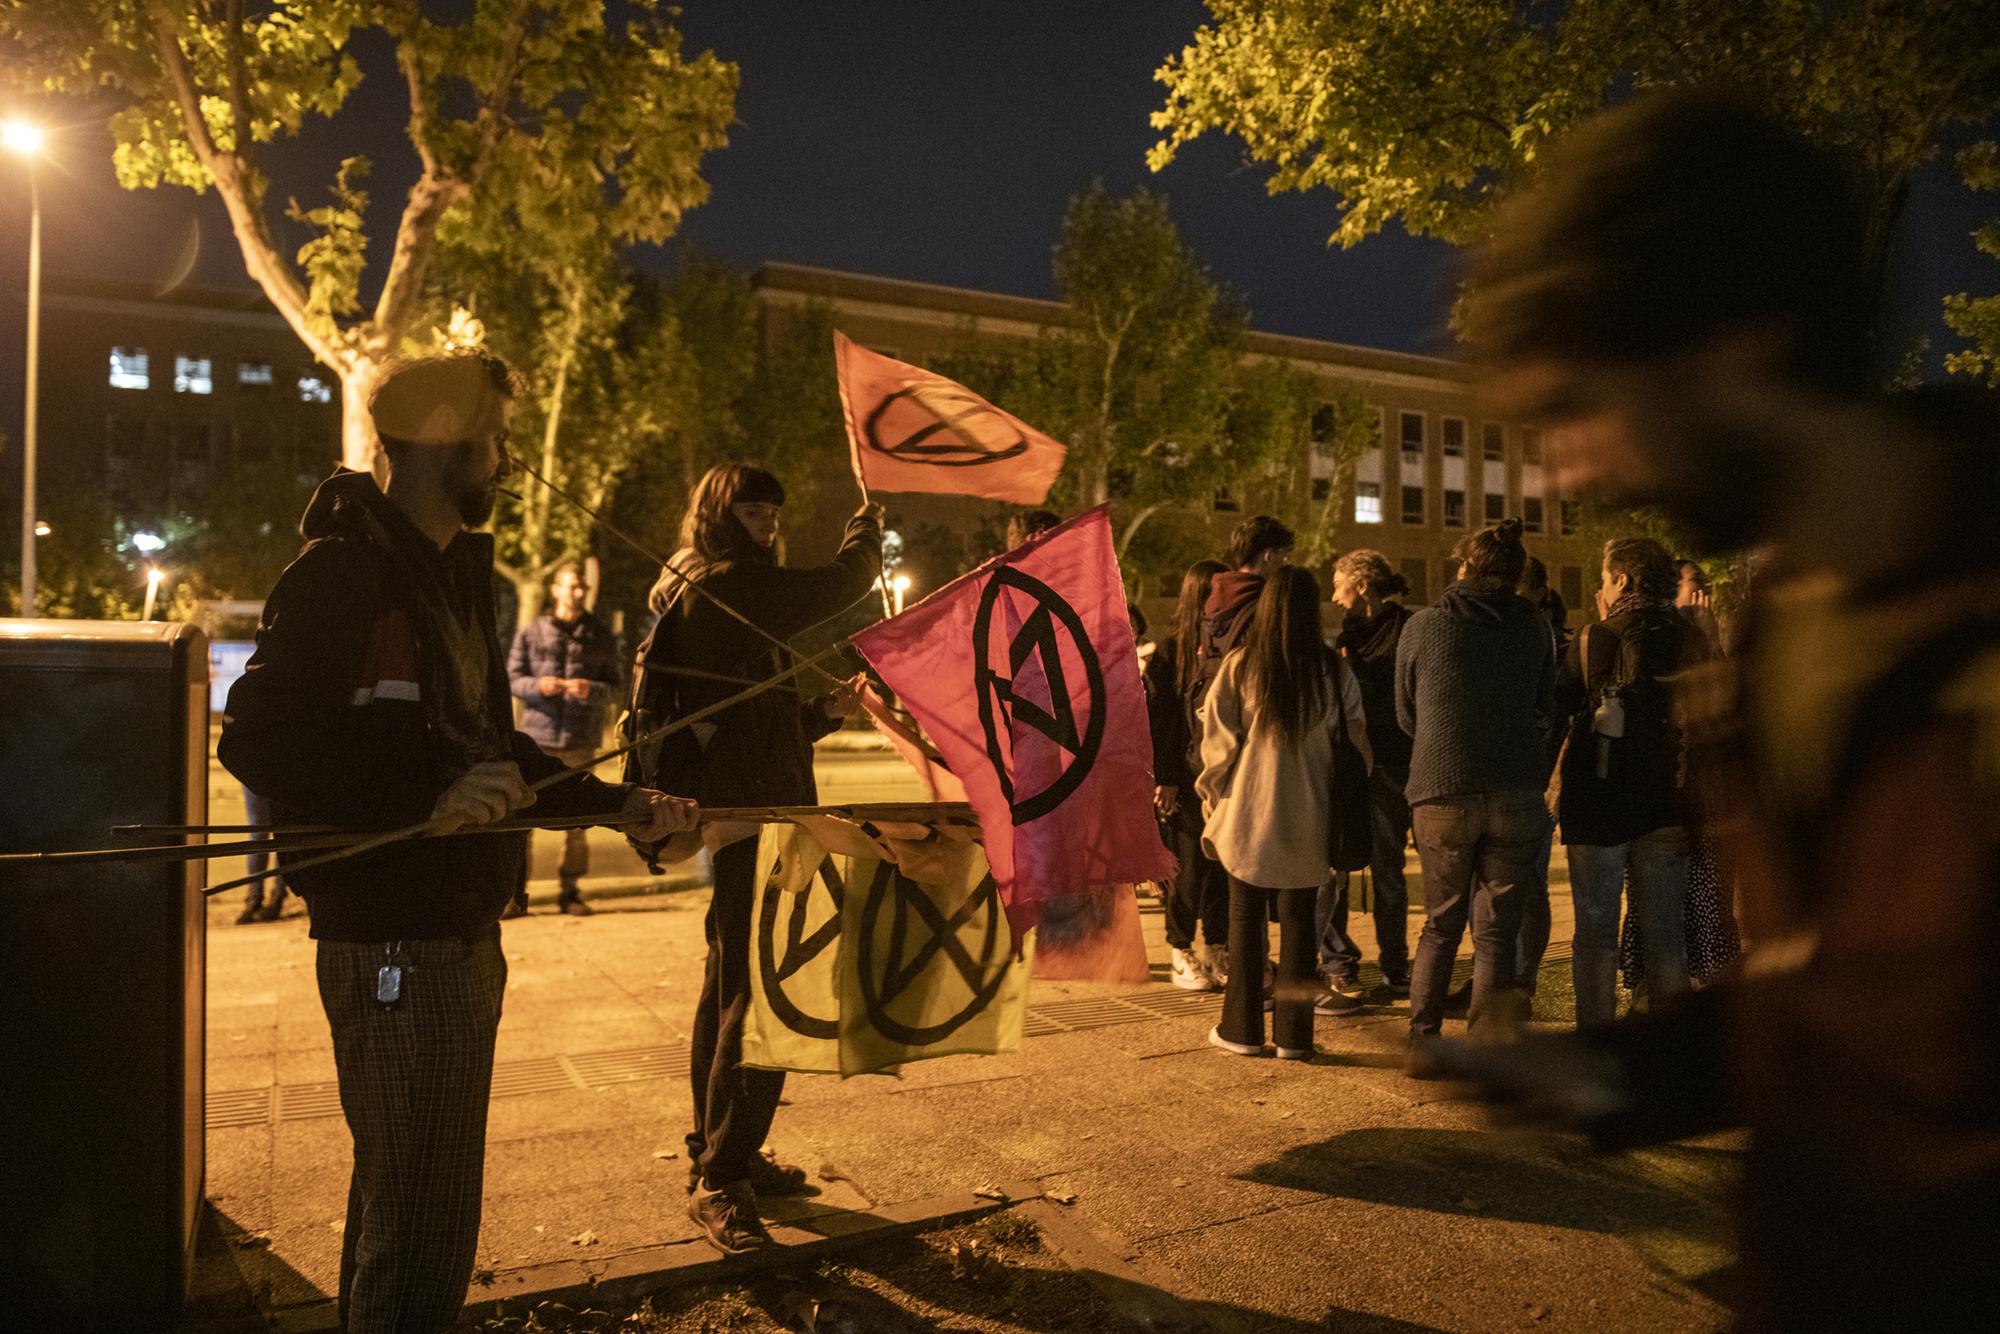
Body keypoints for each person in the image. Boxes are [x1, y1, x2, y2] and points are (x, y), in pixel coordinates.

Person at [1449, 89, 2000, 1326]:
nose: (1569, 467)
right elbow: (1834, 1002)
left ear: (1739, 342)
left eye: (1581, 405)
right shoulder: (1772, 632)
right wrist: (1610, 1072)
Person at [217, 352, 696, 1334]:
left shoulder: (452, 577)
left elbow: (494, 751)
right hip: (394, 943)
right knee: (424, 1225)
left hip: (457, 932)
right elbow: (254, 733)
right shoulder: (341, 574)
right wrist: (420, 800)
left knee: (406, 1206)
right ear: (442, 442)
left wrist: (615, 803)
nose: (508, 463)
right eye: (493, 442)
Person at [637, 462, 883, 1256]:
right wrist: (866, 533)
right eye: (753, 511)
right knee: (763, 999)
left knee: (729, 986)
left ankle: (714, 1151)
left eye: (774, 514)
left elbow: (752, 722)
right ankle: (723, 1181)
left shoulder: (708, 590)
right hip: (753, 818)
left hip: (752, 810)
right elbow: (836, 588)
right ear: (719, 512)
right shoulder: (728, 584)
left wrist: (819, 712)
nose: (769, 526)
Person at [1197, 566, 1372, 1059]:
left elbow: (1217, 749)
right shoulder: (1333, 671)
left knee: (1244, 922)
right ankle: (1295, 1038)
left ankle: (1242, 1030)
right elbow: (1358, 748)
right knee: (1299, 927)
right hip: (1311, 818)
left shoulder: (1241, 665)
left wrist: (1212, 799)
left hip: (1248, 816)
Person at [1394, 519, 1554, 1059]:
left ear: (1464, 567)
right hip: (1515, 790)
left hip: (1442, 789)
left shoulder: (1424, 626)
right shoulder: (1533, 625)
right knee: (1497, 932)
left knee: (1440, 925)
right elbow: (1543, 704)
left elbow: (1406, 712)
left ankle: (1424, 1043)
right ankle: (1487, 1044)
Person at [1554, 537, 1710, 1028]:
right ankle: (1671, 1050)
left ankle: (1594, 1044)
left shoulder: (1591, 637)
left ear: (1621, 579)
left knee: (1595, 934)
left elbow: (1556, 710)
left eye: (1604, 577)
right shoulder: (1691, 640)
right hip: (1666, 800)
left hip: (1596, 803)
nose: (1602, 586)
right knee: (1666, 933)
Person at [1317, 550, 1415, 1000]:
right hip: (1354, 767)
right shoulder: (1346, 636)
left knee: (1388, 871)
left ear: (1361, 585)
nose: (1334, 596)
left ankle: (1395, 963)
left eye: (1339, 584)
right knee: (1338, 864)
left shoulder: (1407, 630)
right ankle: (1339, 961)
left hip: (1394, 765)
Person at [505, 562, 623, 916]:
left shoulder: (600, 635)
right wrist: (538, 687)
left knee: (578, 823)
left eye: (582, 588)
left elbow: (616, 688)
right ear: (555, 590)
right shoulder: (533, 631)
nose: (577, 594)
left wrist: (591, 690)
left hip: (579, 739)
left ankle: (570, 893)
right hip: (536, 737)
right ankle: (515, 895)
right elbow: (512, 678)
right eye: (571, 587)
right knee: (522, 822)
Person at [1145, 559, 1230, 990]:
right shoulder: (1172, 649)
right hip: (1184, 778)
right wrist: (1165, 777)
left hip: (1222, 778)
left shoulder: (1230, 645)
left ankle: (1217, 946)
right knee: (1187, 869)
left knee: (1220, 867)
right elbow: (1160, 719)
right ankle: (1180, 949)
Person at [236, 783, 290, 924]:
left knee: (262, 833)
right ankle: (270, 896)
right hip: (281, 773)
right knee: (279, 834)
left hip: (257, 772)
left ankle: (260, 897)